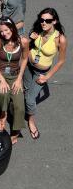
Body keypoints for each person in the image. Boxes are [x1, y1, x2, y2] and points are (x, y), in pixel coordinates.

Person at [24, 8, 67, 139]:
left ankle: (31, 121)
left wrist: (47, 76)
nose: (44, 23)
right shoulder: (38, 30)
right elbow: (29, 45)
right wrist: (31, 39)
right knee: (26, 90)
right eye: (42, 19)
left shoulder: (60, 39)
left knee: (31, 99)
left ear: (54, 21)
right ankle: (25, 109)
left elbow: (61, 61)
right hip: (27, 66)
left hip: (41, 72)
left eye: (47, 20)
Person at [0, 17, 29, 144]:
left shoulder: (23, 41)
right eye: (1, 31)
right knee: (4, 93)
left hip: (15, 76)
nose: (4, 33)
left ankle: (16, 131)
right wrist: (2, 80)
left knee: (19, 104)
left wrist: (19, 79)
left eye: (6, 30)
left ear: (12, 28)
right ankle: (3, 114)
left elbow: (24, 60)